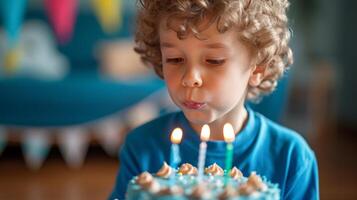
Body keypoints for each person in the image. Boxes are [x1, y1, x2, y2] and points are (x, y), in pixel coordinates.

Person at [109, 0, 319, 199]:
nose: (191, 78)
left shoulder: (292, 157)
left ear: (258, 68)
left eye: (213, 60)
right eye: (174, 59)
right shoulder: (142, 147)